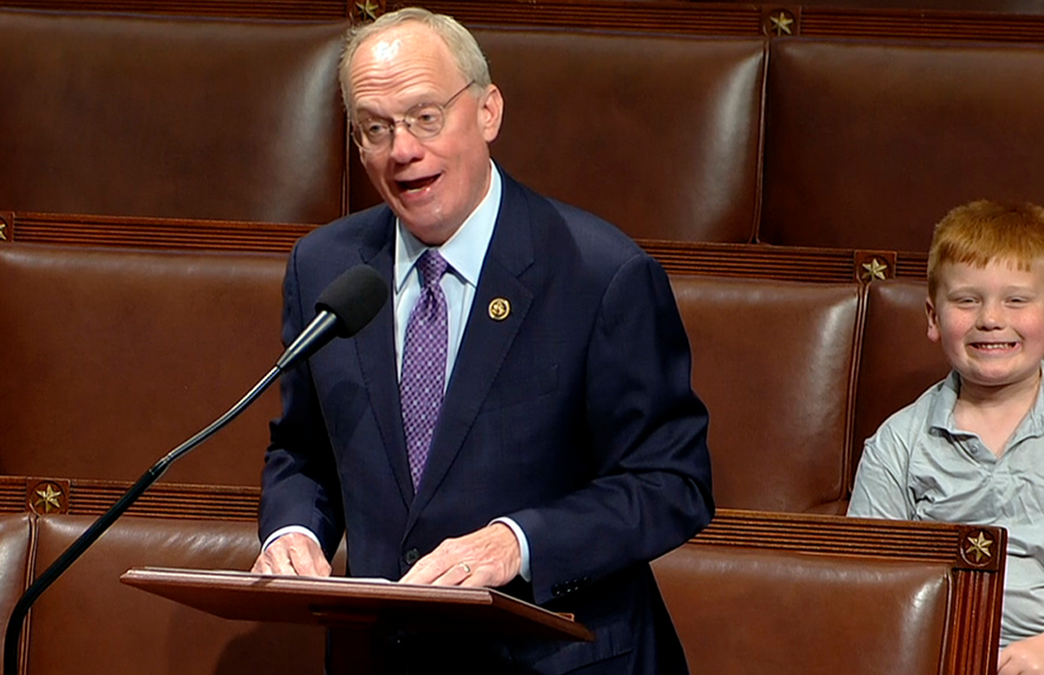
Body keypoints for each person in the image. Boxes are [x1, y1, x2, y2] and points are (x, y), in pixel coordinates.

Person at [251, 7, 714, 674]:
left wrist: (518, 542)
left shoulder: (600, 274)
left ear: (488, 111)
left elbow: (672, 482)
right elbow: (302, 448)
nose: (401, 149)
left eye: (424, 117)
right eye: (375, 129)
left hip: (555, 658)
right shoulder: (326, 269)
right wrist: (294, 529)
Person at [848, 200, 1044, 675]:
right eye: (966, 300)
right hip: (931, 654)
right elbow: (867, 583)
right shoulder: (897, 443)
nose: (990, 319)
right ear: (934, 318)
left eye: (1017, 300)